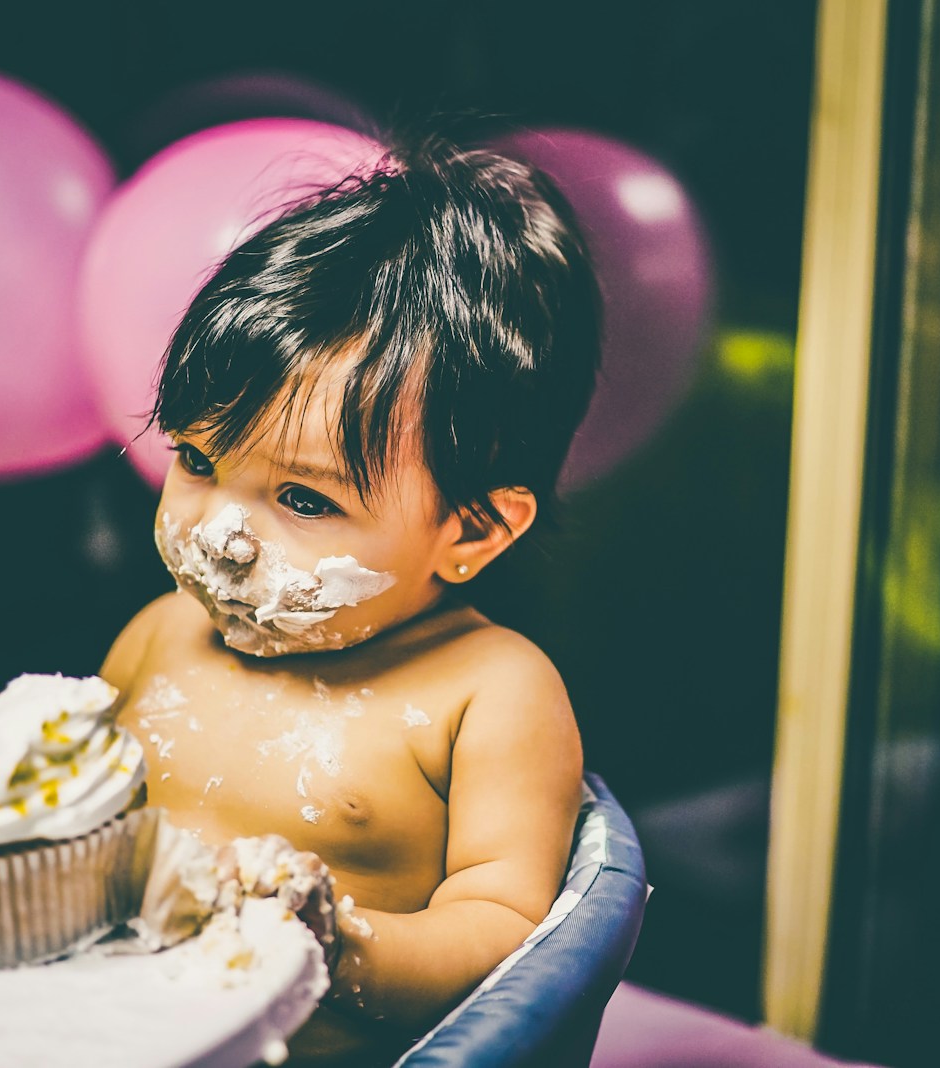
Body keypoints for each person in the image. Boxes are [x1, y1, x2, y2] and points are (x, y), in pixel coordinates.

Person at [98, 130, 602, 1064]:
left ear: (473, 531)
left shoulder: (489, 695)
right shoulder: (159, 636)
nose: (220, 535)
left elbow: (505, 940)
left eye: (303, 498)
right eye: (198, 460)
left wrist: (331, 935)